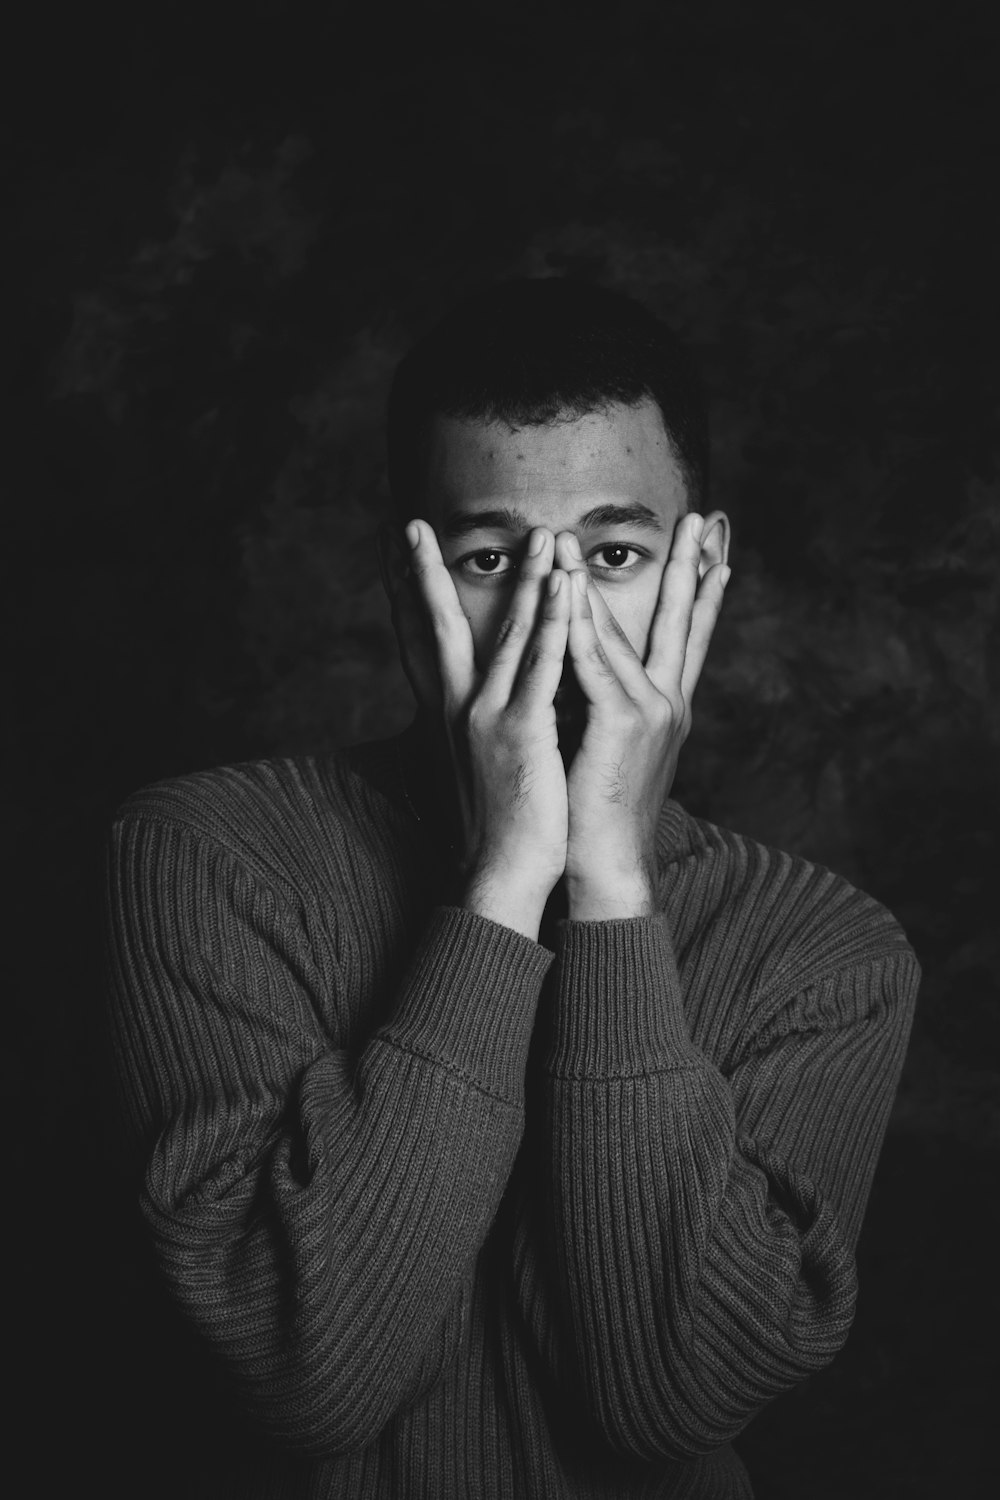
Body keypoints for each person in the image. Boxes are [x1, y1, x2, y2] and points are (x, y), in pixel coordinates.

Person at [103, 277, 920, 1498]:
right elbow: (307, 1374)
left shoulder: (827, 954)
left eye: (614, 552)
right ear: (404, 582)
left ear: (705, 569)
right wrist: (501, 883)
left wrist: (610, 897)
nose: (557, 618)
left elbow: (671, 1399)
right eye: (492, 557)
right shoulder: (207, 855)